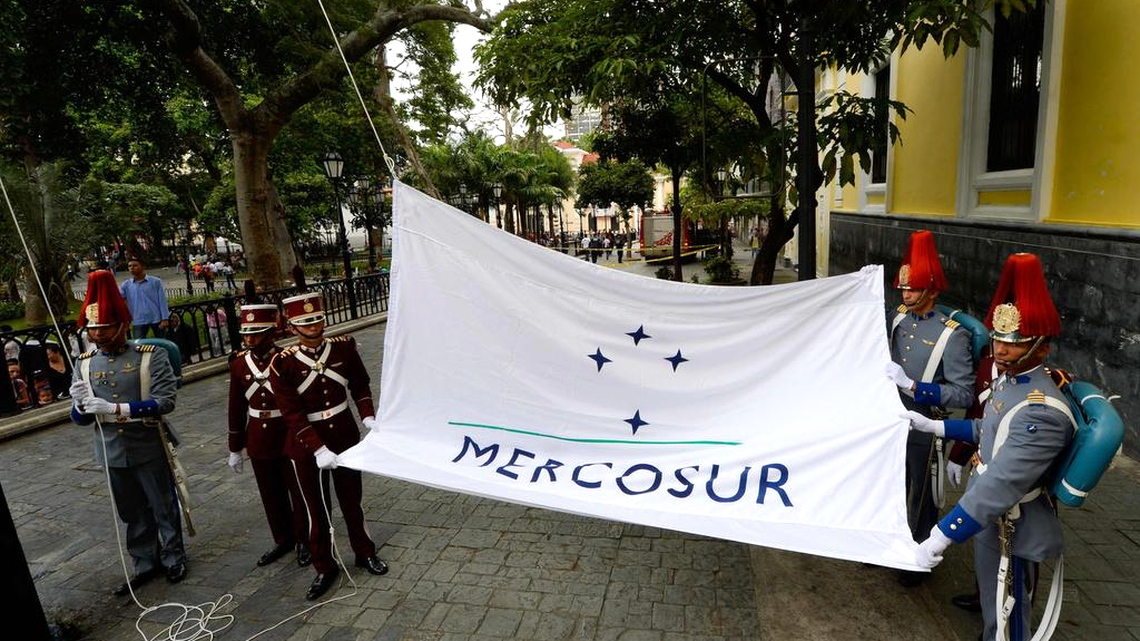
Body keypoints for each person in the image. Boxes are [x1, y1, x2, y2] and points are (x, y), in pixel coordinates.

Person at [906, 253, 1073, 641]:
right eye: (998, 339)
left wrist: (943, 533)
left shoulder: (1041, 409)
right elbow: (989, 429)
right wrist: (937, 425)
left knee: (1010, 612)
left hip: (1013, 522)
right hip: (988, 511)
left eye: (1015, 343)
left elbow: (1003, 481)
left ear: (1042, 348)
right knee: (991, 604)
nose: (1000, 349)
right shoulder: (1011, 383)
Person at [68, 270, 188, 596]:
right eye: (93, 330)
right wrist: (80, 405)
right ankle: (145, 562)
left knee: (162, 504)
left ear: (122, 325)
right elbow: (79, 419)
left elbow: (165, 401)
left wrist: (116, 410)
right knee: (130, 510)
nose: (99, 335)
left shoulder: (151, 356)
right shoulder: (84, 364)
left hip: (147, 441)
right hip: (110, 449)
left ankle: (174, 555)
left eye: (105, 328)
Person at [269, 292, 389, 601]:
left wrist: (368, 416)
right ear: (293, 327)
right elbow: (291, 412)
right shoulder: (281, 364)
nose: (314, 327)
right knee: (316, 510)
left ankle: (364, 552)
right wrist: (317, 448)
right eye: (306, 323)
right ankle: (324, 566)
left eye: (317, 320)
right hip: (306, 446)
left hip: (345, 436)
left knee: (353, 502)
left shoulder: (344, 347)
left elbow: (360, 384)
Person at [884, 230, 974, 587]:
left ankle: (917, 557)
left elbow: (963, 395)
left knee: (921, 497)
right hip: (890, 418)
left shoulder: (952, 335)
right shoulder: (898, 318)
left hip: (925, 426)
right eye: (903, 288)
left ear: (932, 291)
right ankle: (885, 543)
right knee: (888, 485)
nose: (905, 294)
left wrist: (914, 386)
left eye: (913, 289)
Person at [227, 304, 311, 569]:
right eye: (247, 334)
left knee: (298, 491)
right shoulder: (239, 363)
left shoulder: (288, 359)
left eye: (257, 333)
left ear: (271, 333)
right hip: (258, 436)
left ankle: (305, 539)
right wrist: (234, 447)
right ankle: (282, 538)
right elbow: (236, 406)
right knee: (270, 492)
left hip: (287, 432)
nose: (250, 339)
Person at [119, 258, 170, 339]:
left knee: (163, 343)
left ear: (143, 267)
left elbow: (162, 300)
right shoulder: (126, 285)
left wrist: (165, 318)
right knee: (138, 344)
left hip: (156, 318)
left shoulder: (155, 281)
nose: (132, 268)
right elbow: (120, 300)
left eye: (135, 265)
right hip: (138, 319)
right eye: (129, 266)